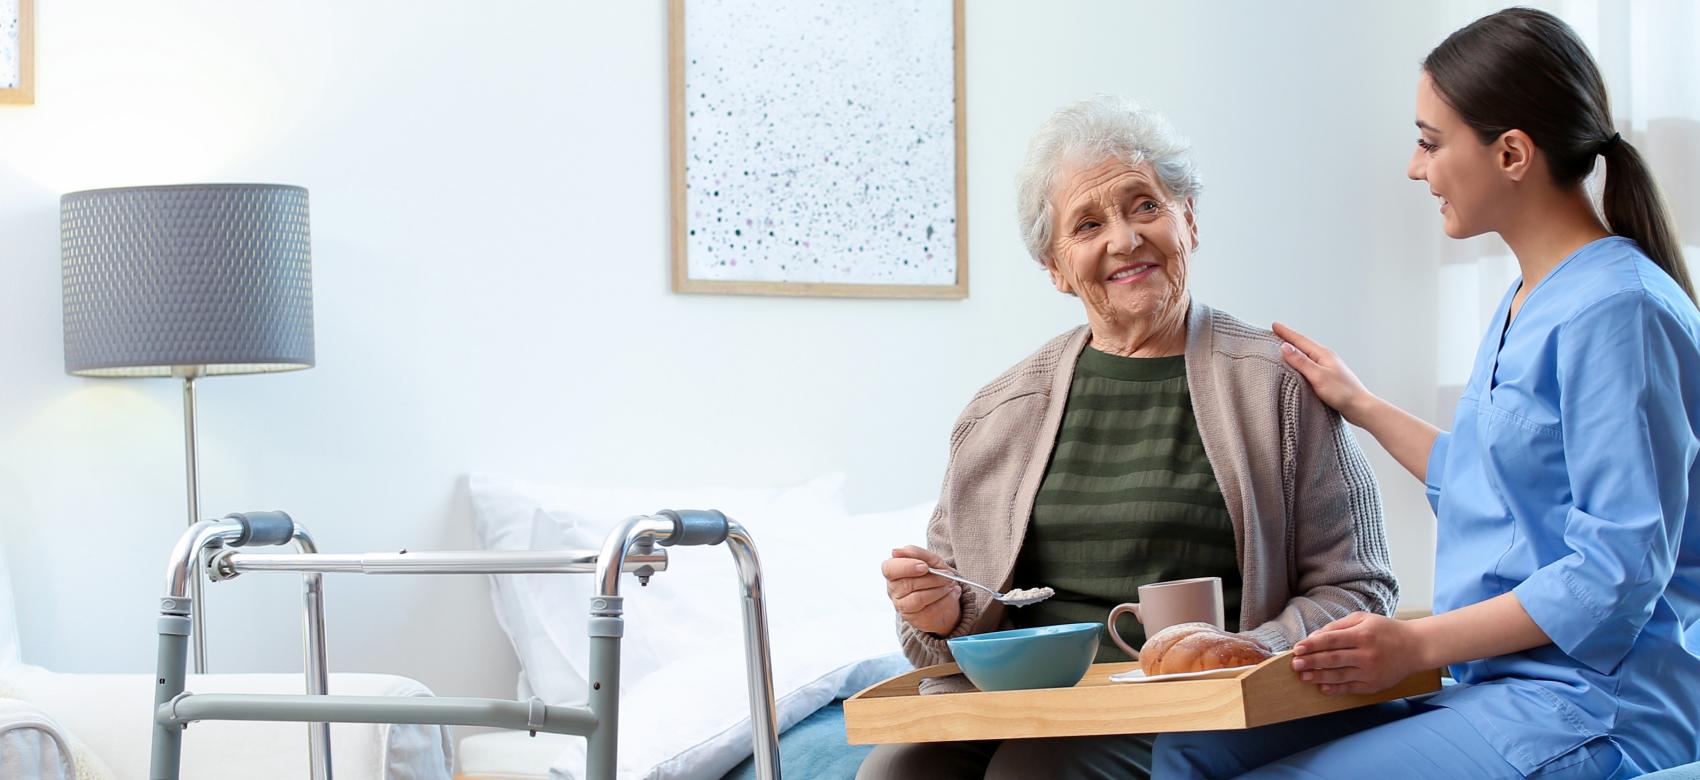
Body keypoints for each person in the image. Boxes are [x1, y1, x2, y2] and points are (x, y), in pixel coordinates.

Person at [1153, 8, 1700, 779]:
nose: (1416, 168)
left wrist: (1414, 643)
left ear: (1511, 152)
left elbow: (1618, 568)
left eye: (1430, 142)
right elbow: (1492, 488)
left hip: (1592, 706)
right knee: (1191, 745)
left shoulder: (1618, 311)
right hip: (1496, 686)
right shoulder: (1529, 297)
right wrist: (1361, 402)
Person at [858, 96, 1399, 780]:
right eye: (1088, 223)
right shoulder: (998, 413)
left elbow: (1360, 587)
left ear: (1189, 219)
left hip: (1197, 708)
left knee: (1035, 775)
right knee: (896, 773)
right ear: (1056, 268)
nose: (1124, 239)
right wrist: (938, 613)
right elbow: (939, 639)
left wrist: (1247, 650)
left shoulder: (1276, 386)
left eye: (1144, 205)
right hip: (1024, 705)